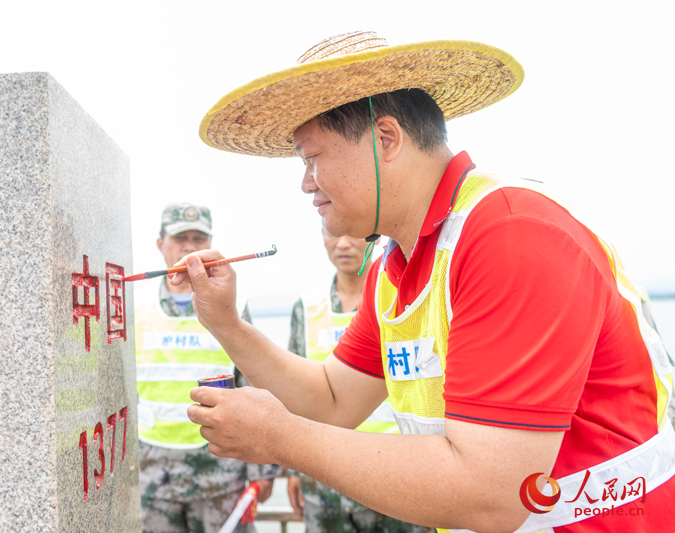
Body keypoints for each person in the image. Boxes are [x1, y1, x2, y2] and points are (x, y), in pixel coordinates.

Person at [174, 31, 675, 532]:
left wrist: (281, 438)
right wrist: (227, 323)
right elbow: (332, 400)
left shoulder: (511, 233)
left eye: (311, 157)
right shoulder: (395, 267)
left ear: (386, 139)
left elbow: (493, 495)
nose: (305, 182)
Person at [135, 203, 278, 533]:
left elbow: (256, 384)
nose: (189, 247)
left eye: (199, 238)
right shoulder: (136, 308)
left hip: (220, 475)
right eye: (180, 237)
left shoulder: (233, 306)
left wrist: (264, 470)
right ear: (160, 244)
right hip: (154, 478)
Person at [286, 229, 430, 533]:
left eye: (353, 234)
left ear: (373, 238)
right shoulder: (307, 307)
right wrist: (293, 470)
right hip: (325, 474)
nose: (343, 243)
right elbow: (293, 388)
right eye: (333, 233)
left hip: (395, 472)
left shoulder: (398, 295)